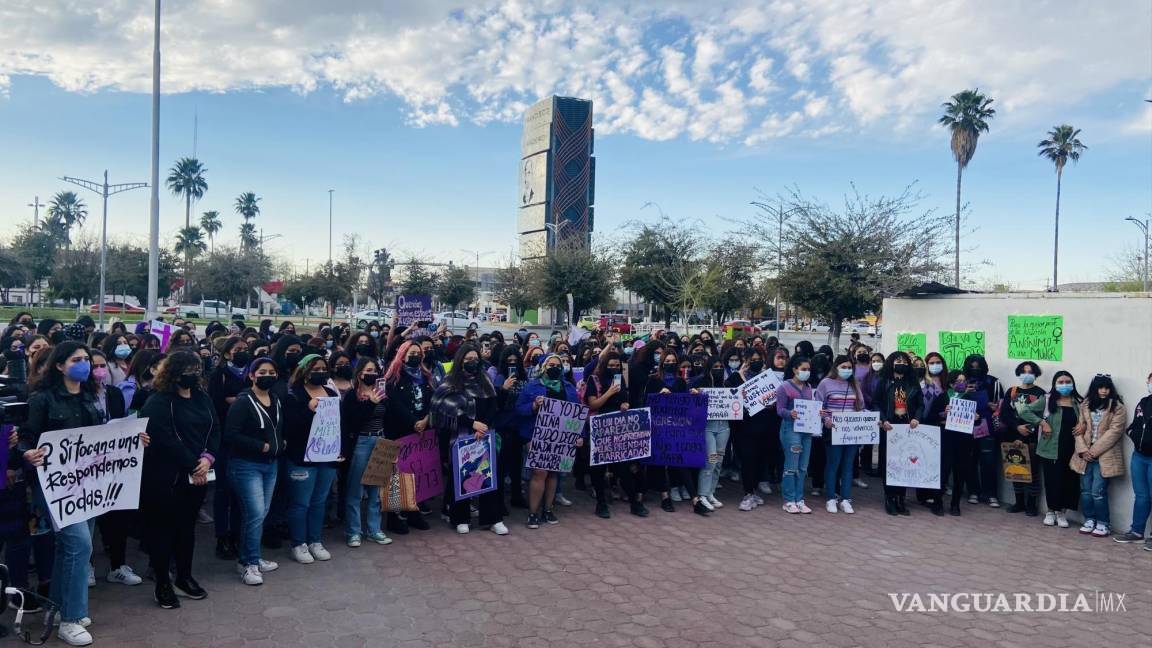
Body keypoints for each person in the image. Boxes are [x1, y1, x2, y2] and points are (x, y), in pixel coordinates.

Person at [19, 341, 133, 645]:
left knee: (68, 550)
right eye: (77, 359)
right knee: (79, 545)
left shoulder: (89, 398)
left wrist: (132, 440)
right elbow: (25, 439)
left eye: (86, 359)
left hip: (86, 487)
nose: (84, 364)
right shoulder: (42, 400)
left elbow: (102, 438)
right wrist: (28, 453)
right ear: (59, 365)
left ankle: (58, 608)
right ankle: (71, 618)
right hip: (55, 487)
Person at [139, 350, 219, 610]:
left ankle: (184, 576)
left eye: (197, 370)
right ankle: (163, 582)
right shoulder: (158, 401)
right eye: (188, 371)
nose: (194, 375)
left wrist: (207, 459)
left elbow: (214, 429)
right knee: (163, 532)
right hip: (166, 478)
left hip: (197, 477)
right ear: (174, 373)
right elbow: (164, 439)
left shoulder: (202, 398)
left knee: (187, 529)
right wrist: (194, 464)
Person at [430, 343, 507, 535]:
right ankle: (460, 517)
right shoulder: (451, 381)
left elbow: (492, 404)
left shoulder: (485, 379)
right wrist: (471, 424)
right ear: (460, 360)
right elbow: (442, 409)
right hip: (462, 436)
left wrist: (484, 426)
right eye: (468, 359)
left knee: (489, 476)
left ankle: (493, 519)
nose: (472, 362)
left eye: (475, 359)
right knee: (463, 476)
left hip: (485, 435)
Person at [223, 357, 285, 585]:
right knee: (256, 513)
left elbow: (278, 426)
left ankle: (252, 557)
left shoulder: (275, 399)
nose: (267, 375)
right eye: (262, 372)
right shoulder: (242, 402)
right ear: (251, 375)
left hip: (271, 464)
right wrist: (261, 446)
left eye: (271, 372)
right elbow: (231, 434)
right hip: (246, 465)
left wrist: (280, 443)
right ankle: (248, 563)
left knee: (259, 513)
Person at [283, 354, 343, 563]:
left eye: (323, 369)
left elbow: (336, 425)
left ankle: (315, 540)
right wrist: (308, 411)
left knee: (319, 501)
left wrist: (338, 449)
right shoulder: (293, 394)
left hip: (326, 457)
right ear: (304, 372)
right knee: (301, 503)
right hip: (301, 458)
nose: (320, 372)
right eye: (315, 369)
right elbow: (290, 427)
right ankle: (298, 543)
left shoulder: (329, 392)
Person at [516, 353, 581, 528]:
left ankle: (548, 509)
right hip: (537, 435)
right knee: (539, 473)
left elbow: (577, 413)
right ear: (544, 367)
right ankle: (533, 512)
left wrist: (579, 436)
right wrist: (534, 406)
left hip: (561, 438)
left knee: (553, 473)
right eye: (551, 365)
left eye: (558, 366)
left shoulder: (568, 387)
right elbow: (519, 409)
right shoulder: (532, 386)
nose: (555, 368)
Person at [380, 341, 434, 535]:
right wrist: (413, 422)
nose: (416, 356)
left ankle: (413, 511)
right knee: (396, 476)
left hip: (420, 432)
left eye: (418, 353)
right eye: (411, 353)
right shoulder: (393, 378)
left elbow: (432, 400)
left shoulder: (426, 376)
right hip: (399, 431)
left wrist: (426, 420)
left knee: (416, 473)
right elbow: (393, 404)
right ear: (402, 355)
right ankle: (394, 517)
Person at [340, 357, 393, 547]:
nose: (372, 374)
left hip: (380, 440)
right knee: (355, 489)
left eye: (375, 371)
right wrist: (370, 403)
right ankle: (354, 531)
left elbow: (390, 415)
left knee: (375, 489)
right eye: (368, 371)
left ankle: (374, 530)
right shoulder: (351, 395)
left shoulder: (381, 392)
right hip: (362, 441)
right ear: (359, 373)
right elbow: (353, 421)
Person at [206, 336, 250, 561]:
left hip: (247, 439)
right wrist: (242, 400)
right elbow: (216, 402)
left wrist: (238, 400)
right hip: (225, 439)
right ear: (226, 353)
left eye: (245, 348)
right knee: (224, 491)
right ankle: (222, 537)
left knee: (241, 493)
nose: (243, 351)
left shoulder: (252, 374)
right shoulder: (220, 375)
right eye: (238, 349)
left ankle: (237, 535)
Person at [585, 350, 643, 518]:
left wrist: (625, 402)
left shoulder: (620, 379)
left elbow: (625, 398)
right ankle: (601, 503)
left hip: (618, 428)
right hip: (600, 428)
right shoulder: (594, 381)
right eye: (611, 365)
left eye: (617, 366)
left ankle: (634, 503)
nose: (614, 368)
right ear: (604, 366)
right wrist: (609, 392)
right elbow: (593, 405)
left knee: (623, 467)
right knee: (598, 468)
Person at [1071, 374, 1127, 537]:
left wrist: (1093, 451)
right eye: (1100, 387)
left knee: (1098, 491)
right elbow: (1079, 429)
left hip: (1104, 456)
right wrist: (1082, 450)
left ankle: (1103, 523)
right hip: (1084, 455)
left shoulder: (1117, 407)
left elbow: (1114, 432)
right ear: (1094, 388)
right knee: (1085, 490)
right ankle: (1089, 519)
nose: (1103, 391)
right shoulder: (1086, 404)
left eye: (1106, 387)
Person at [873, 351, 923, 516]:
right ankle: (890, 498)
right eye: (897, 360)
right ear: (891, 363)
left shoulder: (913, 383)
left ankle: (901, 498)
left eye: (904, 361)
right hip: (890, 426)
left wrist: (916, 418)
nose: (901, 363)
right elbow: (876, 403)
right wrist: (883, 419)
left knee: (905, 462)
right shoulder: (884, 382)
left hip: (908, 427)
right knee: (891, 463)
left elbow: (920, 404)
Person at [923, 370, 979, 516]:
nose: (962, 383)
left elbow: (977, 419)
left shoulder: (969, 399)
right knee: (943, 472)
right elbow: (930, 417)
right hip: (945, 439)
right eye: (959, 381)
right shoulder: (942, 398)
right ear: (951, 383)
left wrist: (976, 417)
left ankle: (955, 504)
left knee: (960, 473)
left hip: (964, 441)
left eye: (964, 380)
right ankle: (937, 502)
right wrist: (943, 414)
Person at [726, 347, 775, 511]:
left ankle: (753, 491)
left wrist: (772, 405)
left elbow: (777, 401)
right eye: (751, 359)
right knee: (747, 460)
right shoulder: (735, 378)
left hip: (764, 426)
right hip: (744, 428)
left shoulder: (768, 378)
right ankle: (748, 493)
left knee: (760, 460)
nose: (755, 362)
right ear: (745, 360)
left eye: (758, 359)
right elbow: (730, 401)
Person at [816, 355, 866, 514]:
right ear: (836, 367)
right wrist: (826, 420)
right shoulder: (825, 383)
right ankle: (831, 498)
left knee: (848, 465)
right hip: (833, 430)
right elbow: (819, 407)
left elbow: (861, 407)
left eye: (850, 368)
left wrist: (872, 419)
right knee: (833, 464)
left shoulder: (854, 384)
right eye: (843, 367)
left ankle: (846, 499)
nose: (847, 370)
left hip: (851, 432)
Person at [998, 361, 1047, 516]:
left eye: (1031, 372)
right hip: (1012, 437)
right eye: (1024, 371)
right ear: (1019, 374)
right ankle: (1018, 502)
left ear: (1036, 375)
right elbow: (1004, 414)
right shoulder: (1012, 391)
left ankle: (1031, 505)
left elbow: (1039, 417)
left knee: (1033, 473)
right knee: (1016, 470)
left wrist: (1025, 434)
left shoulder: (1041, 393)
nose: (1027, 374)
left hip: (1031, 438)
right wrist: (1016, 428)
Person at [1037, 371, 1082, 528]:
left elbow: (1087, 420)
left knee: (1068, 481)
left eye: (1067, 381)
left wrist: (1083, 425)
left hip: (1072, 448)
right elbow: (1025, 410)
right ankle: (1051, 511)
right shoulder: (1047, 400)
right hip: (1050, 448)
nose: (1064, 385)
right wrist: (1042, 423)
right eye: (1060, 382)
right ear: (1055, 384)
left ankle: (1062, 512)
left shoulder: (1078, 402)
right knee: (1052, 480)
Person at [489, 346, 528, 510]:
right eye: (509, 361)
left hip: (517, 427)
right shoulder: (499, 378)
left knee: (516, 465)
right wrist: (503, 389)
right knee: (501, 466)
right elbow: (494, 405)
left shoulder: (523, 378)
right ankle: (499, 502)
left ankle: (517, 496)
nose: (512, 364)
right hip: (502, 428)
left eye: (515, 361)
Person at [961, 354, 1003, 508]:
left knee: (989, 461)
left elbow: (1002, 405)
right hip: (965, 426)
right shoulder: (961, 381)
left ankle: (991, 494)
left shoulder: (993, 381)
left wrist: (995, 407)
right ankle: (973, 491)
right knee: (969, 460)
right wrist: (964, 391)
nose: (975, 369)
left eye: (978, 366)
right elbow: (952, 400)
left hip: (987, 427)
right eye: (972, 366)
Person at [1115, 372, 1152, 546]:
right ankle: (1137, 531)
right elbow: (1135, 425)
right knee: (1141, 496)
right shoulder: (1144, 402)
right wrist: (1133, 434)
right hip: (1139, 456)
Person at [776, 356, 816, 514]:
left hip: (806, 430)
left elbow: (810, 407)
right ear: (794, 370)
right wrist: (789, 413)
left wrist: (816, 411)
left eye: (808, 370)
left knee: (803, 467)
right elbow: (779, 410)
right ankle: (788, 500)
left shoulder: (808, 387)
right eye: (803, 369)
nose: (806, 372)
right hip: (790, 429)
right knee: (791, 466)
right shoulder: (784, 387)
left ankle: (799, 499)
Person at [696, 355, 730, 511]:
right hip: (708, 427)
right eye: (715, 367)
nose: (718, 370)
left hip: (724, 427)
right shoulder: (701, 383)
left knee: (719, 462)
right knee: (711, 460)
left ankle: (711, 492)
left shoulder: (726, 384)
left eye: (720, 367)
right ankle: (702, 494)